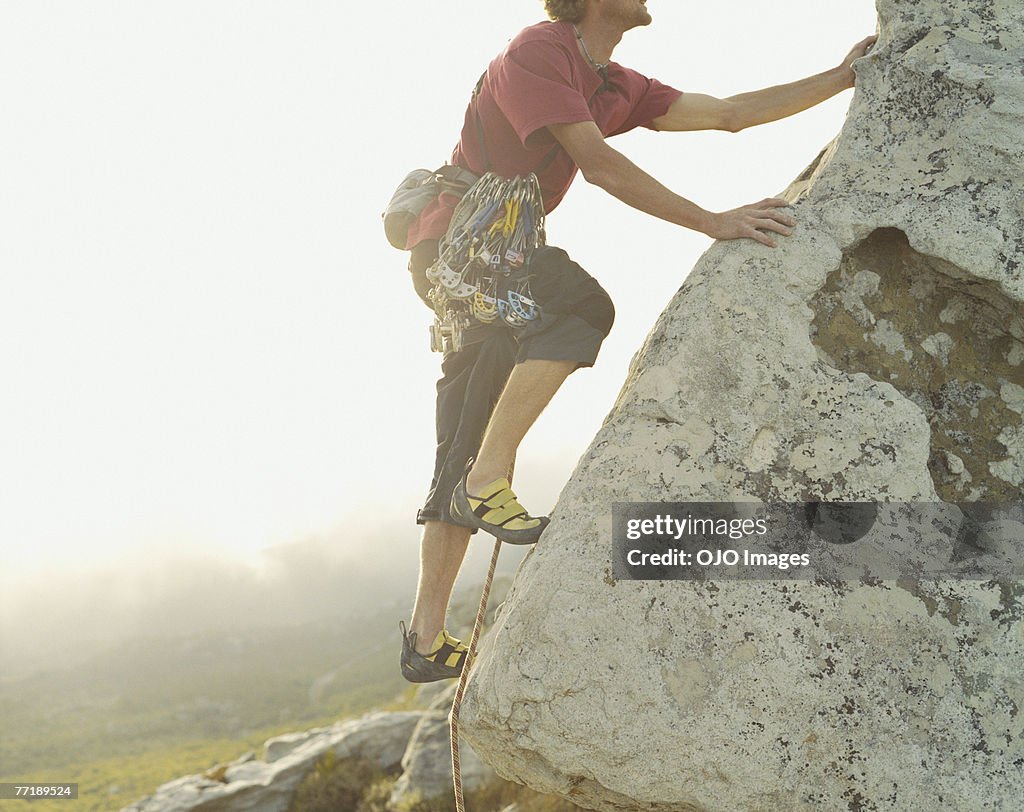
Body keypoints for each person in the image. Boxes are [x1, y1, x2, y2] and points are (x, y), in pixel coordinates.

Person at [399, 0, 877, 682]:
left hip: (484, 256)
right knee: (580, 307)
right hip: (464, 247)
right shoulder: (540, 50)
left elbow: (729, 113)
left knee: (467, 428)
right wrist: (712, 220)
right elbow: (599, 165)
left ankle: (425, 639)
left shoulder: (614, 83)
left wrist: (838, 77)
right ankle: (485, 481)